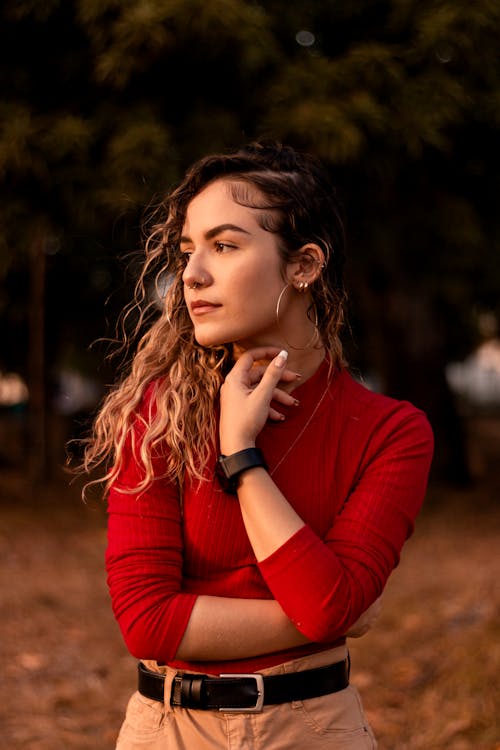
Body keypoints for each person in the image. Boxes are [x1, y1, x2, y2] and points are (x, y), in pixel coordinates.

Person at [83, 141, 434, 749]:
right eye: (188, 250)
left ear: (303, 266)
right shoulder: (158, 412)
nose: (191, 273)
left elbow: (328, 608)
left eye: (224, 245)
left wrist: (241, 454)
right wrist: (336, 610)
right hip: (169, 731)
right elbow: (146, 622)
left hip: (318, 730)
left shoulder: (391, 431)